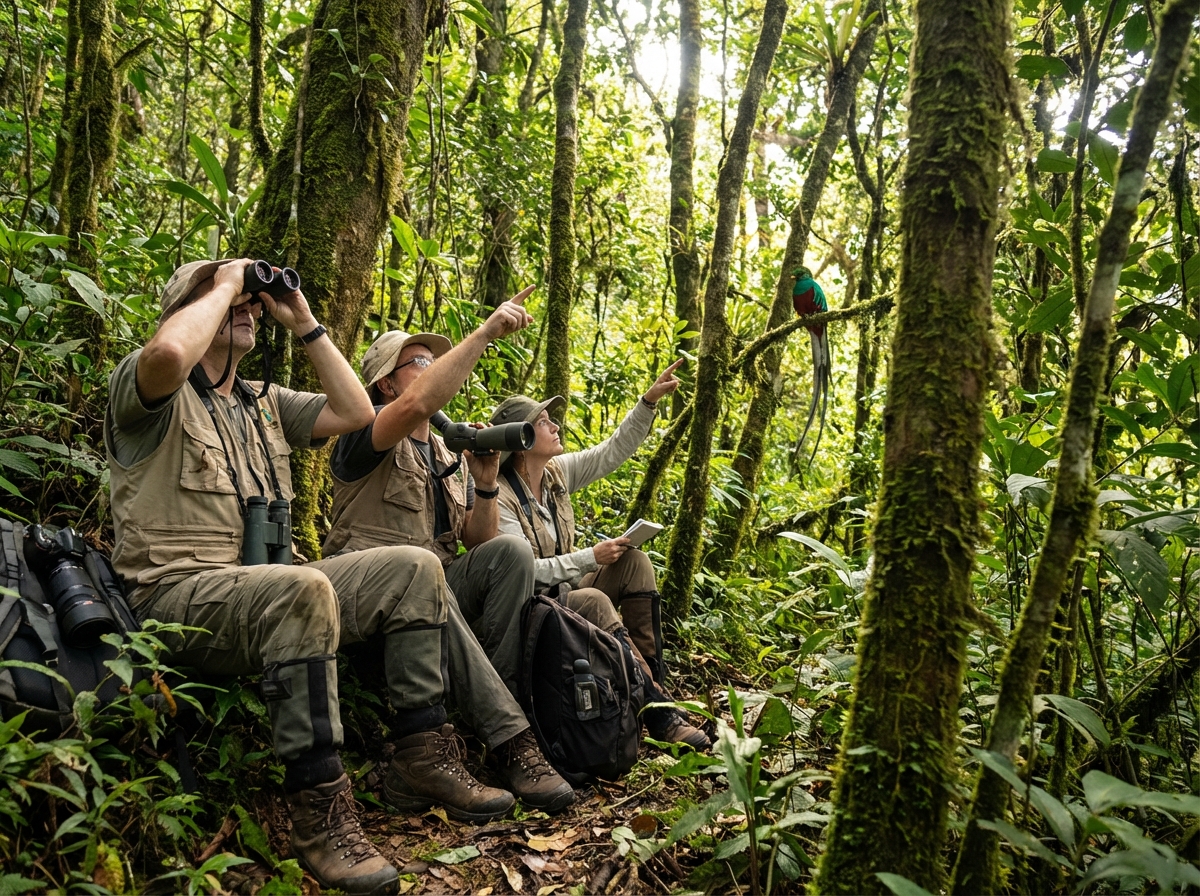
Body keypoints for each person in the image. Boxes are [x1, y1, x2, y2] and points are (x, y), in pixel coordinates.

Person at [104, 259, 520, 895]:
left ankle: (422, 756)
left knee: (413, 567)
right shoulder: (148, 393)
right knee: (304, 587)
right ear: (187, 308)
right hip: (175, 592)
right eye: (228, 298)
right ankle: (321, 813)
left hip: (269, 587)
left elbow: (355, 410)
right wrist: (225, 283)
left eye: (249, 299)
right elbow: (167, 354)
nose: (247, 305)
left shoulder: (265, 402)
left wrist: (302, 320)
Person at [323, 310, 575, 812]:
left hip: (434, 592)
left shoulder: (445, 453)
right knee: (422, 571)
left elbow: (478, 540)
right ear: (386, 385)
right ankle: (511, 738)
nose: (433, 368)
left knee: (509, 551)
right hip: (371, 591)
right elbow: (418, 403)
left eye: (432, 361)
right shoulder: (365, 431)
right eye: (419, 362)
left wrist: (485, 481)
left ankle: (495, 708)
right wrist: (485, 333)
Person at [489, 360, 709, 750]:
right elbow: (524, 573)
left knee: (634, 563)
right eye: (543, 422)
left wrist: (647, 402)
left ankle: (655, 690)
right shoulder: (500, 497)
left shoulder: (556, 473)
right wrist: (590, 557)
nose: (555, 426)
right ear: (520, 438)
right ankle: (658, 715)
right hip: (532, 614)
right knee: (591, 598)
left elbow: (611, 452)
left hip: (563, 597)